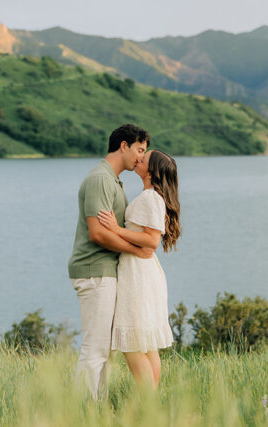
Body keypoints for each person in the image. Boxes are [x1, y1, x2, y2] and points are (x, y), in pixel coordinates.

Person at [67, 123, 152, 400]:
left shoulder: (113, 180)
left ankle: (95, 410)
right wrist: (136, 249)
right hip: (95, 272)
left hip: (105, 273)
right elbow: (97, 233)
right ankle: (83, 412)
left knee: (104, 351)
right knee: (95, 350)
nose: (141, 157)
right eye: (139, 149)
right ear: (123, 145)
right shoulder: (100, 179)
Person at [97, 148, 181, 389]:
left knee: (133, 344)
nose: (139, 158)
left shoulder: (150, 198)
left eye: (144, 158)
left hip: (138, 275)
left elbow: (151, 240)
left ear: (151, 171)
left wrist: (114, 228)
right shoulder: (151, 196)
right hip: (142, 271)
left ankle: (148, 403)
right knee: (145, 343)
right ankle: (151, 404)